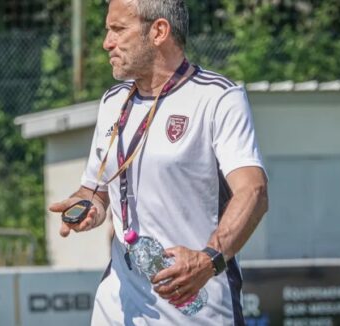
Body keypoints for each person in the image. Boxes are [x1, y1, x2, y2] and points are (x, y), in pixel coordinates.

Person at [49, 0, 269, 324]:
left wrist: (208, 261)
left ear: (159, 31)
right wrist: (89, 205)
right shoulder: (113, 101)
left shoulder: (219, 98)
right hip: (118, 307)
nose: (106, 42)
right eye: (107, 30)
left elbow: (254, 193)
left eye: (118, 30)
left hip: (195, 307)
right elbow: (97, 188)